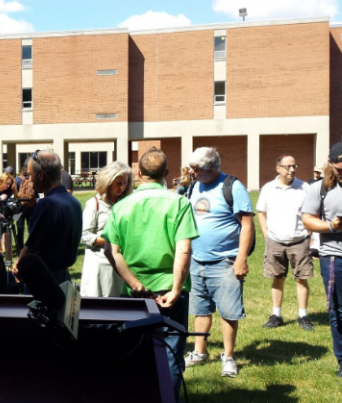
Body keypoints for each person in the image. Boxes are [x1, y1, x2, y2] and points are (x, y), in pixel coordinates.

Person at [102, 147, 199, 402]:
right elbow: (184, 249)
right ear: (167, 173)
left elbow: (112, 252)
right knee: (171, 355)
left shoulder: (121, 206)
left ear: (139, 173)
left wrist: (135, 284)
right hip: (170, 290)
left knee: (134, 352)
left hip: (134, 293)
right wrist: (176, 289)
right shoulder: (178, 202)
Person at [184, 147, 253, 378]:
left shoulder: (233, 187)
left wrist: (241, 259)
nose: (192, 172)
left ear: (213, 168)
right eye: (192, 168)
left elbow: (247, 224)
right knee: (200, 309)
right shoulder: (194, 186)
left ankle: (229, 356)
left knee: (228, 311)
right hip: (196, 260)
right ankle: (199, 351)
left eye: (197, 169)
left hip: (225, 261)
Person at [257, 154, 313, 331]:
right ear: (278, 168)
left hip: (299, 241)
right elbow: (261, 212)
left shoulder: (304, 187)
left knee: (301, 279)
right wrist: (266, 235)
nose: (292, 170)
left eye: (294, 166)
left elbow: (312, 213)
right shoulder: (268, 188)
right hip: (275, 241)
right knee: (277, 278)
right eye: (288, 166)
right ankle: (276, 315)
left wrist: (308, 234)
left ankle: (303, 316)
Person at [302, 141, 342, 377]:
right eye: (339, 168)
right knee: (337, 310)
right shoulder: (320, 188)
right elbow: (307, 219)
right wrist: (331, 226)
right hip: (334, 258)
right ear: (330, 164)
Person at [13, 150, 82, 286]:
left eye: (30, 175)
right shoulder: (74, 202)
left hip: (44, 279)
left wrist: (19, 262)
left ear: (41, 174)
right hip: (64, 276)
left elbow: (33, 246)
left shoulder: (48, 203)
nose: (30, 180)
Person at [80, 162, 134, 297]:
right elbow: (84, 235)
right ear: (108, 182)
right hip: (98, 262)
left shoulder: (127, 203)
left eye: (125, 183)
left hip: (121, 262)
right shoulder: (94, 204)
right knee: (96, 306)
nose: (122, 187)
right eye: (118, 183)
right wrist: (110, 238)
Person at [15, 166, 37, 251]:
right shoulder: (33, 181)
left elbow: (15, 192)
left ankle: (20, 246)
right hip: (31, 207)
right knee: (30, 227)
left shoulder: (17, 179)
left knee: (20, 227)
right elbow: (37, 194)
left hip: (20, 206)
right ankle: (31, 245)